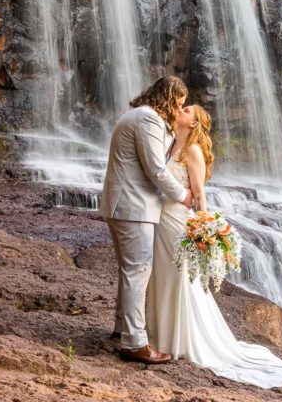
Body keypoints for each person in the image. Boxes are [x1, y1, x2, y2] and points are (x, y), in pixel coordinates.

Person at [147, 104, 282, 388]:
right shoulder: (169, 146)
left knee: (179, 278)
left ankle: (181, 340)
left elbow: (200, 193)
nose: (181, 109)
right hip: (162, 218)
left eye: (187, 109)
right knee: (163, 276)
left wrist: (204, 227)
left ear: (193, 124)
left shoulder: (191, 151)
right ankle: (159, 335)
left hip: (178, 220)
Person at [100, 76, 193, 365]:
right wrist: (183, 196)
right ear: (166, 99)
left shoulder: (140, 115)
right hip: (133, 207)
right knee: (138, 270)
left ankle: (122, 329)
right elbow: (156, 169)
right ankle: (135, 343)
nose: (179, 111)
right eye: (177, 104)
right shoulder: (148, 120)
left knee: (130, 270)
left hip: (126, 205)